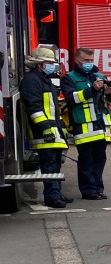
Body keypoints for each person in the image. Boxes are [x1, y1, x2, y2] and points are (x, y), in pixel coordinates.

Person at [62, 48, 111, 201]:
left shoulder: (100, 76)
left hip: (101, 125)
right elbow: (71, 98)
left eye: (91, 60)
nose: (89, 63)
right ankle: (88, 190)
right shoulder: (69, 78)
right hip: (84, 126)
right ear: (77, 61)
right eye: (86, 61)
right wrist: (92, 89)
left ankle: (98, 188)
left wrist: (109, 93)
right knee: (86, 160)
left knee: (100, 159)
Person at [21, 46, 71, 208]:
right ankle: (52, 197)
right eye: (49, 63)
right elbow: (33, 107)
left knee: (56, 163)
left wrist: (60, 128)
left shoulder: (44, 80)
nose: (52, 66)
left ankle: (56, 193)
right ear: (40, 64)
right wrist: (45, 128)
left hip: (53, 130)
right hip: (45, 132)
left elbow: (52, 109)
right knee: (49, 164)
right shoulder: (32, 81)